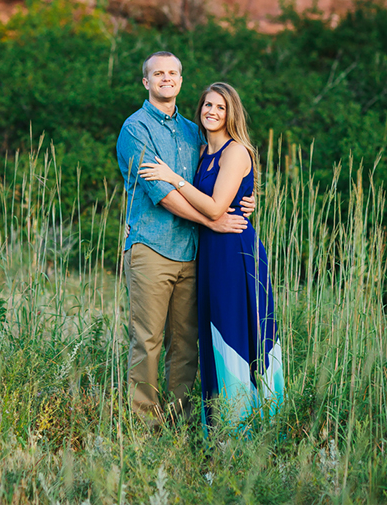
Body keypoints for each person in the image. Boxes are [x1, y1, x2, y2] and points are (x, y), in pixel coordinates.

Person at [116, 51, 253, 428]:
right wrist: (213, 220)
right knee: (147, 341)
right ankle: (145, 428)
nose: (166, 78)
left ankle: (179, 425)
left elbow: (217, 177)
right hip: (152, 248)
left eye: (172, 73)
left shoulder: (194, 131)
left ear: (180, 80)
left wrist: (246, 199)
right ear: (146, 82)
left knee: (186, 344)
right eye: (157, 73)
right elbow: (164, 194)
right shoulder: (136, 129)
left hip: (194, 254)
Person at [139, 82, 284, 429]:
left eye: (220, 107)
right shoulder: (202, 152)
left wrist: (173, 179)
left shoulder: (236, 152)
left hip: (235, 252)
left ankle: (251, 428)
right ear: (200, 109)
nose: (212, 112)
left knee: (237, 332)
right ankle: (220, 428)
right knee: (214, 334)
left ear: (230, 112)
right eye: (207, 105)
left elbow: (218, 207)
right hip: (209, 254)